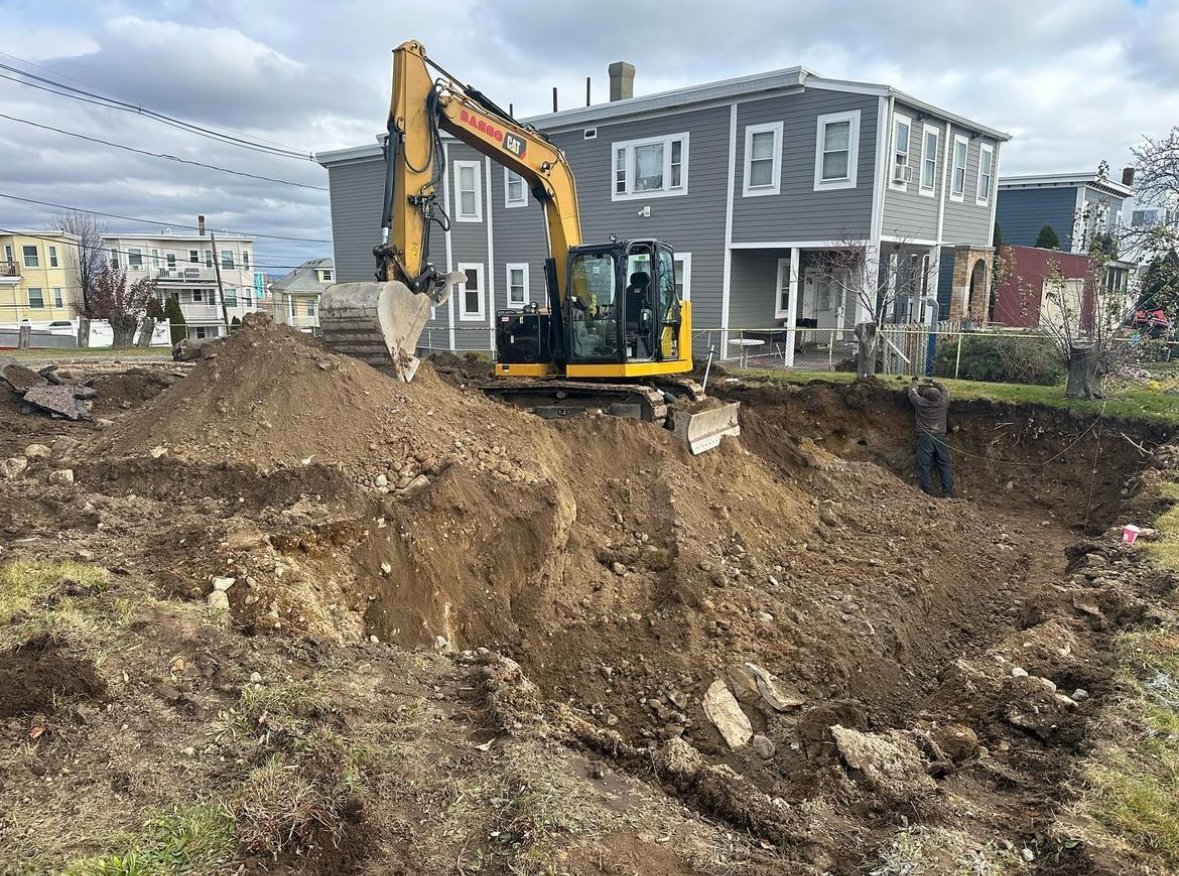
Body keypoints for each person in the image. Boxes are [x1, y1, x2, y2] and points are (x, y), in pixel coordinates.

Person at [907, 377, 954, 499]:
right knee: (944, 464)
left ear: (925, 396)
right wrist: (934, 383)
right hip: (940, 437)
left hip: (925, 438)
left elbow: (912, 393)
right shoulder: (943, 403)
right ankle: (947, 494)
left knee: (925, 465)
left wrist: (914, 382)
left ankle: (927, 494)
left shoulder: (920, 403)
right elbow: (945, 390)